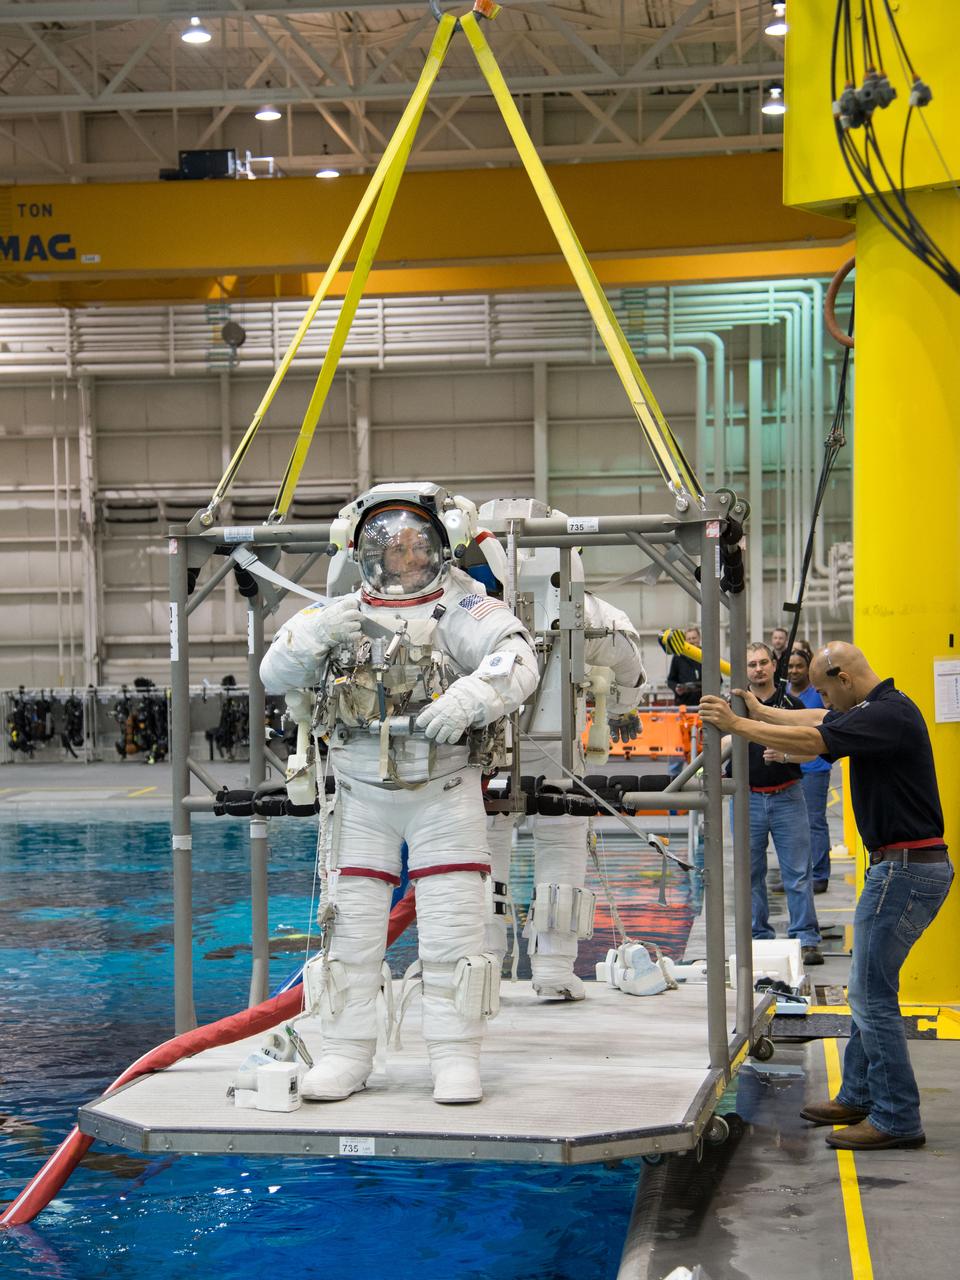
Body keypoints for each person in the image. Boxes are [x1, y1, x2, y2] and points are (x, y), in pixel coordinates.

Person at [261, 482, 539, 1105]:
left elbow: (517, 655)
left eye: (417, 546)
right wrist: (314, 636)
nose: (404, 558)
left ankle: (454, 1056)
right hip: (360, 796)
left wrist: (472, 697)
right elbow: (273, 670)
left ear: (440, 548)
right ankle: (346, 1052)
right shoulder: (336, 613)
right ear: (365, 552)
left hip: (443, 790)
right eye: (390, 546)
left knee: (452, 932)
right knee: (351, 934)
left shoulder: (462, 608)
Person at [699, 642, 953, 1151]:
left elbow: (817, 736)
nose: (825, 700)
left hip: (905, 871)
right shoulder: (880, 708)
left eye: (826, 689)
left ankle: (898, 1118)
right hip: (903, 867)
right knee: (869, 986)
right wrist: (764, 709)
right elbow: (821, 717)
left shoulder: (889, 717)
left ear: (842, 676)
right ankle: (859, 1094)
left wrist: (739, 726)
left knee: (869, 994)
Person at [474, 499, 646, 1000]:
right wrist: (622, 711)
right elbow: (628, 659)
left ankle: (483, 969)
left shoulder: (464, 615)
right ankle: (551, 971)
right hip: (554, 753)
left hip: (484, 753)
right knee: (559, 849)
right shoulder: (591, 613)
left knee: (482, 857)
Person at [738, 642, 823, 965]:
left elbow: (814, 751)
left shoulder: (792, 704)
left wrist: (785, 754)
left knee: (798, 872)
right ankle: (758, 936)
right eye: (751, 664)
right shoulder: (735, 706)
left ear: (774, 666)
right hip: (747, 799)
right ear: (745, 670)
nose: (758, 669)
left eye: (763, 662)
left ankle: (805, 938)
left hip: (788, 795)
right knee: (749, 873)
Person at [788, 647, 832, 893]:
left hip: (815, 767)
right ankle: (800, 875)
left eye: (799, 666)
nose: (794, 671)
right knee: (794, 827)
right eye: (790, 666)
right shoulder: (784, 694)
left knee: (814, 822)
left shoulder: (817, 694)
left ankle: (820, 874)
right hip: (790, 767)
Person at [666, 625, 702, 706]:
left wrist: (698, 686)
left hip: (704, 706)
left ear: (699, 638)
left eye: (694, 638)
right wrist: (676, 688)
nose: (691, 641)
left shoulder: (707, 656)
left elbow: (718, 680)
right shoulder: (678, 657)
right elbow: (670, 680)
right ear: (685, 641)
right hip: (683, 707)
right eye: (688, 639)